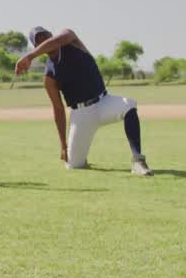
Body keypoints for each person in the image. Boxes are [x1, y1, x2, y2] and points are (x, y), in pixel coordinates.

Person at [15, 27, 152, 175]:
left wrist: (29, 57)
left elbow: (59, 39)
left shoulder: (70, 39)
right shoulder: (49, 76)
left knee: (129, 104)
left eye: (46, 36)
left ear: (51, 35)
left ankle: (138, 161)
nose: (45, 40)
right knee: (74, 165)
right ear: (37, 46)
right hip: (81, 115)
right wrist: (63, 145)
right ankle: (79, 155)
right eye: (39, 40)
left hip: (104, 102)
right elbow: (58, 109)